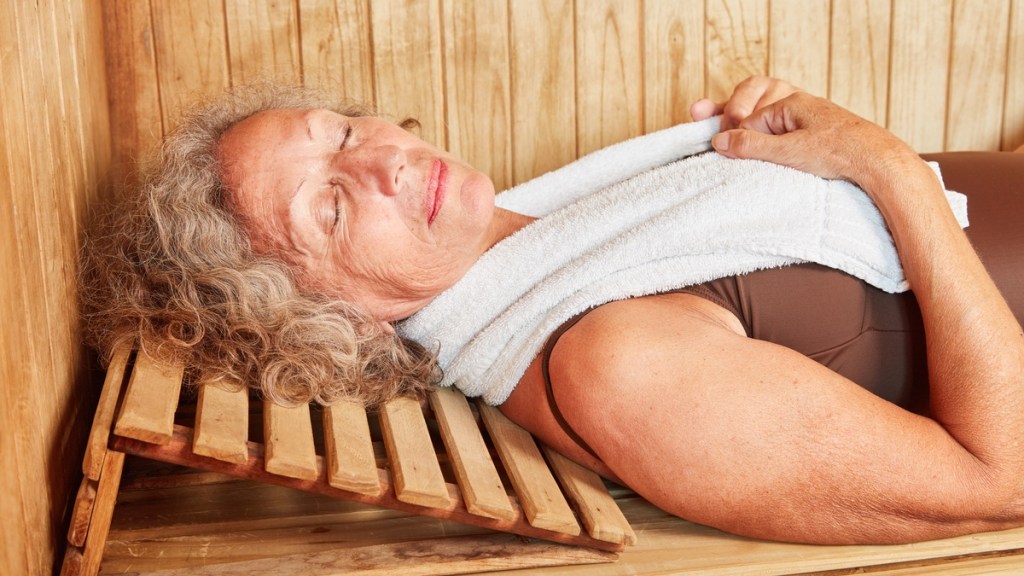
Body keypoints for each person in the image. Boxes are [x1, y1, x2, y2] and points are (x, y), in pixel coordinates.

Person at [80, 76, 1024, 546]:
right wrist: (885, 167)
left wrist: (785, 129)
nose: (384, 161)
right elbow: (999, 478)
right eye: (330, 206)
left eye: (340, 132)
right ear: (330, 319)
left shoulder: (536, 235)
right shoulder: (618, 370)